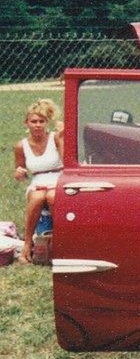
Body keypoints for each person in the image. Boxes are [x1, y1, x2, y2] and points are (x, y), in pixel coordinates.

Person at [13, 99, 64, 263]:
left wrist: (62, 137)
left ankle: (61, 240)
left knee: (51, 197)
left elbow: (65, 160)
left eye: (41, 121)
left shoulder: (55, 138)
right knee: (36, 197)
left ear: (46, 123)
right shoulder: (21, 146)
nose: (37, 125)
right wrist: (19, 173)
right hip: (38, 179)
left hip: (58, 177)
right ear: (26, 123)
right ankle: (28, 244)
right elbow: (20, 173)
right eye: (33, 121)